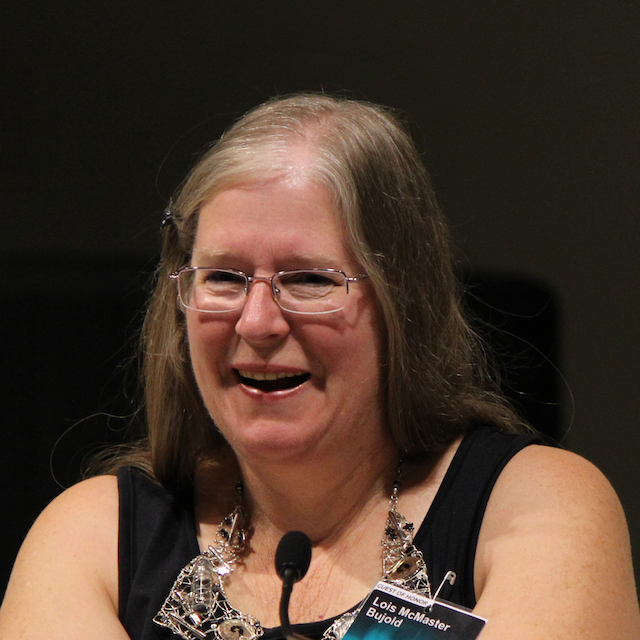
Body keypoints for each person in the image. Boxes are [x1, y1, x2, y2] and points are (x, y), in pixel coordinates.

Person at [1, 93, 638, 640]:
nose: (257, 323)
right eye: (223, 277)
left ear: (403, 303)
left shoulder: (536, 507)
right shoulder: (90, 538)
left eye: (309, 280)